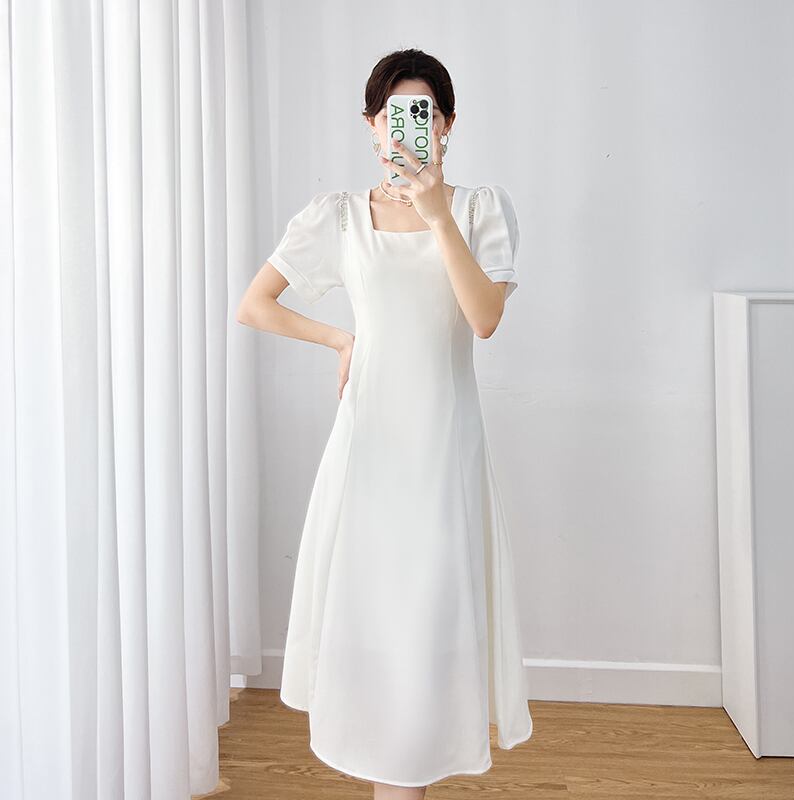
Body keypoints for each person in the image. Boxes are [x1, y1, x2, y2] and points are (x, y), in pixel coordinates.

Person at [237, 48, 532, 800]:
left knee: (427, 631)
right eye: (393, 113)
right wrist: (342, 340)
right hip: (368, 449)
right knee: (373, 633)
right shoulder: (338, 216)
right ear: (371, 125)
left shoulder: (479, 209)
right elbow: (255, 304)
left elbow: (484, 318)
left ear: (448, 124)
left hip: (442, 451)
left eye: (424, 113)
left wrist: (436, 216)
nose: (408, 126)